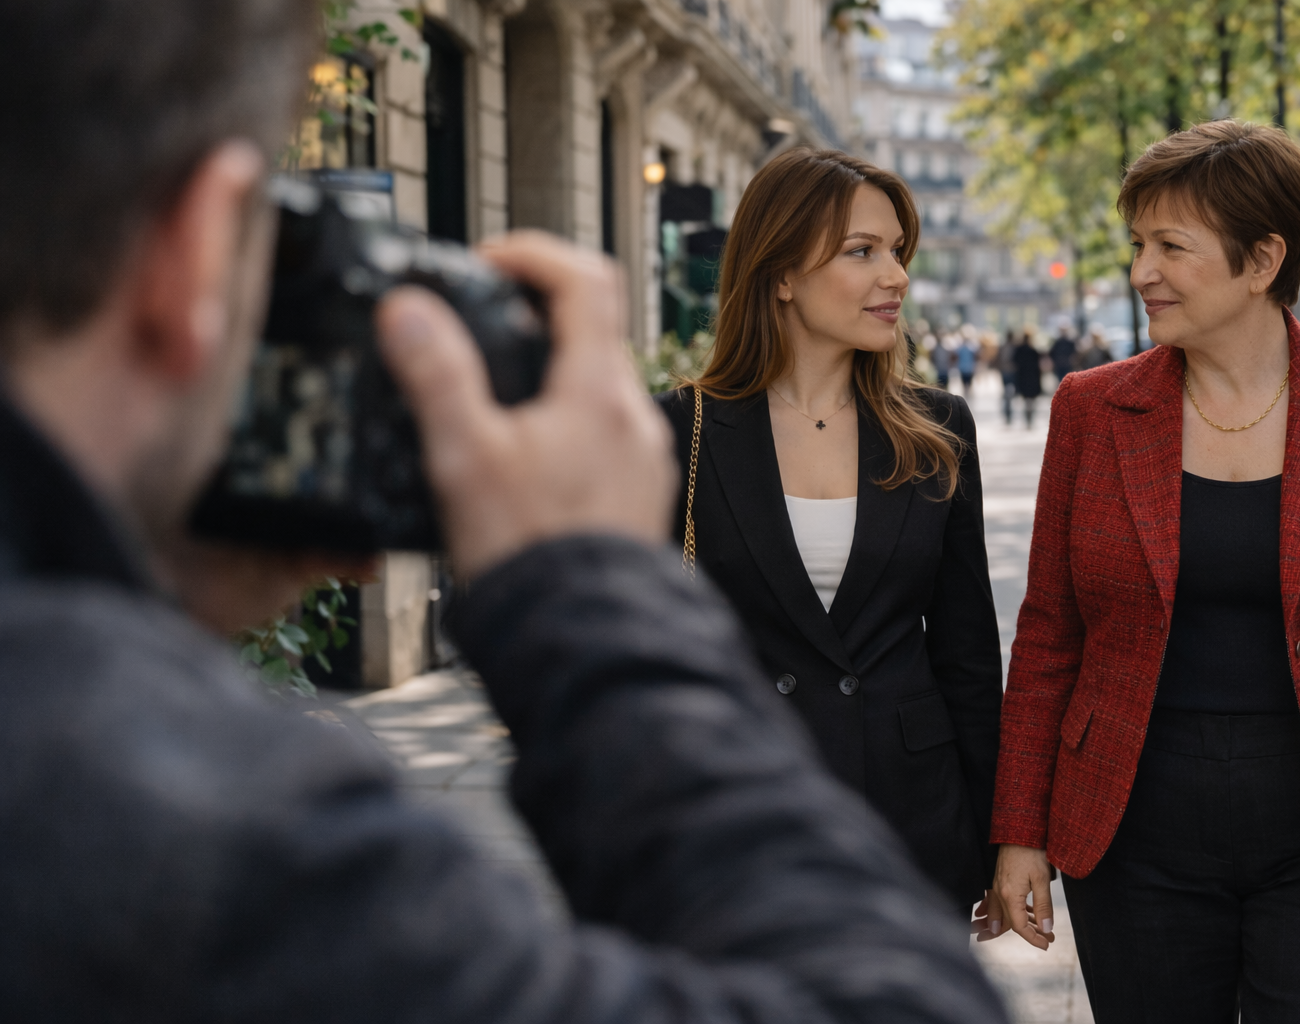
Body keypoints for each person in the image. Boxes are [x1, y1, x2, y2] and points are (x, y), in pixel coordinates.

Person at [0, 4, 1012, 1020]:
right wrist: (582, 588)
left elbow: (966, 650)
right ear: (201, 245)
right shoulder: (201, 827)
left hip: (916, 803)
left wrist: (155, 584)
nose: (895, 276)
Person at [982, 120, 1300, 1022]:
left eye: (1171, 247)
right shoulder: (1093, 411)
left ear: (1263, 260)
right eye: (1138, 243)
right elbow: (1050, 635)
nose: (1142, 270)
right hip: (1133, 828)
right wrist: (1019, 831)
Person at [657, 148, 1002, 918]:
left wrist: (1000, 842)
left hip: (913, 822)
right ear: (780, 275)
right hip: (742, 822)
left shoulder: (937, 428)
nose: (897, 277)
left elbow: (967, 656)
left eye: (897, 252)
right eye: (862, 252)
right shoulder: (680, 428)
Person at [1011, 328, 1044, 429]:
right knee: (1032, 400)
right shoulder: (1033, 349)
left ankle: (1028, 419)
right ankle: (1030, 419)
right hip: (1033, 377)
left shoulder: (1019, 349)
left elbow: (1014, 362)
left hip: (1023, 377)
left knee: (1026, 400)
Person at [999, 331, 1018, 424]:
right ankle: (1008, 411)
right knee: (1009, 393)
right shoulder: (1014, 347)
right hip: (1010, 372)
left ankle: (1007, 411)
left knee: (1007, 393)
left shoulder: (1003, 347)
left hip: (1005, 372)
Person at [955, 329, 979, 398]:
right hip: (968, 368)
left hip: (965, 368)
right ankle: (967, 395)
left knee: (966, 383)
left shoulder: (961, 347)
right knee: (967, 383)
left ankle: (966, 394)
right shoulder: (971, 347)